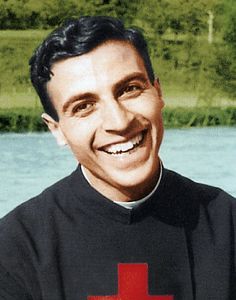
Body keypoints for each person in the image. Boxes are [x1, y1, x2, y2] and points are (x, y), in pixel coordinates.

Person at [0, 16, 235, 300]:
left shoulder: (228, 224)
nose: (119, 122)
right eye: (84, 106)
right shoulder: (15, 248)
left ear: (158, 93)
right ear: (57, 129)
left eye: (130, 89)